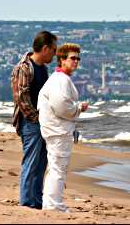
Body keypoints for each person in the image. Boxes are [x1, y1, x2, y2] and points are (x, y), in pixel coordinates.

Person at [37, 43, 89, 212]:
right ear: (62, 59)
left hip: (56, 129)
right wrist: (79, 108)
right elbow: (61, 106)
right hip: (57, 130)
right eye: (72, 58)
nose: (76, 61)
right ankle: (54, 205)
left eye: (78, 58)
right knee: (58, 167)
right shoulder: (60, 80)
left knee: (55, 167)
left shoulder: (60, 79)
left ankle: (51, 202)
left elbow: (62, 105)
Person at [10, 31, 57, 209]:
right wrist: (38, 119)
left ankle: (36, 201)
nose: (55, 53)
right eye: (53, 49)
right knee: (31, 162)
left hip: (42, 121)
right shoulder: (24, 68)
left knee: (41, 163)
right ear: (45, 48)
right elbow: (21, 99)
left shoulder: (43, 68)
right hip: (30, 122)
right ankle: (27, 202)